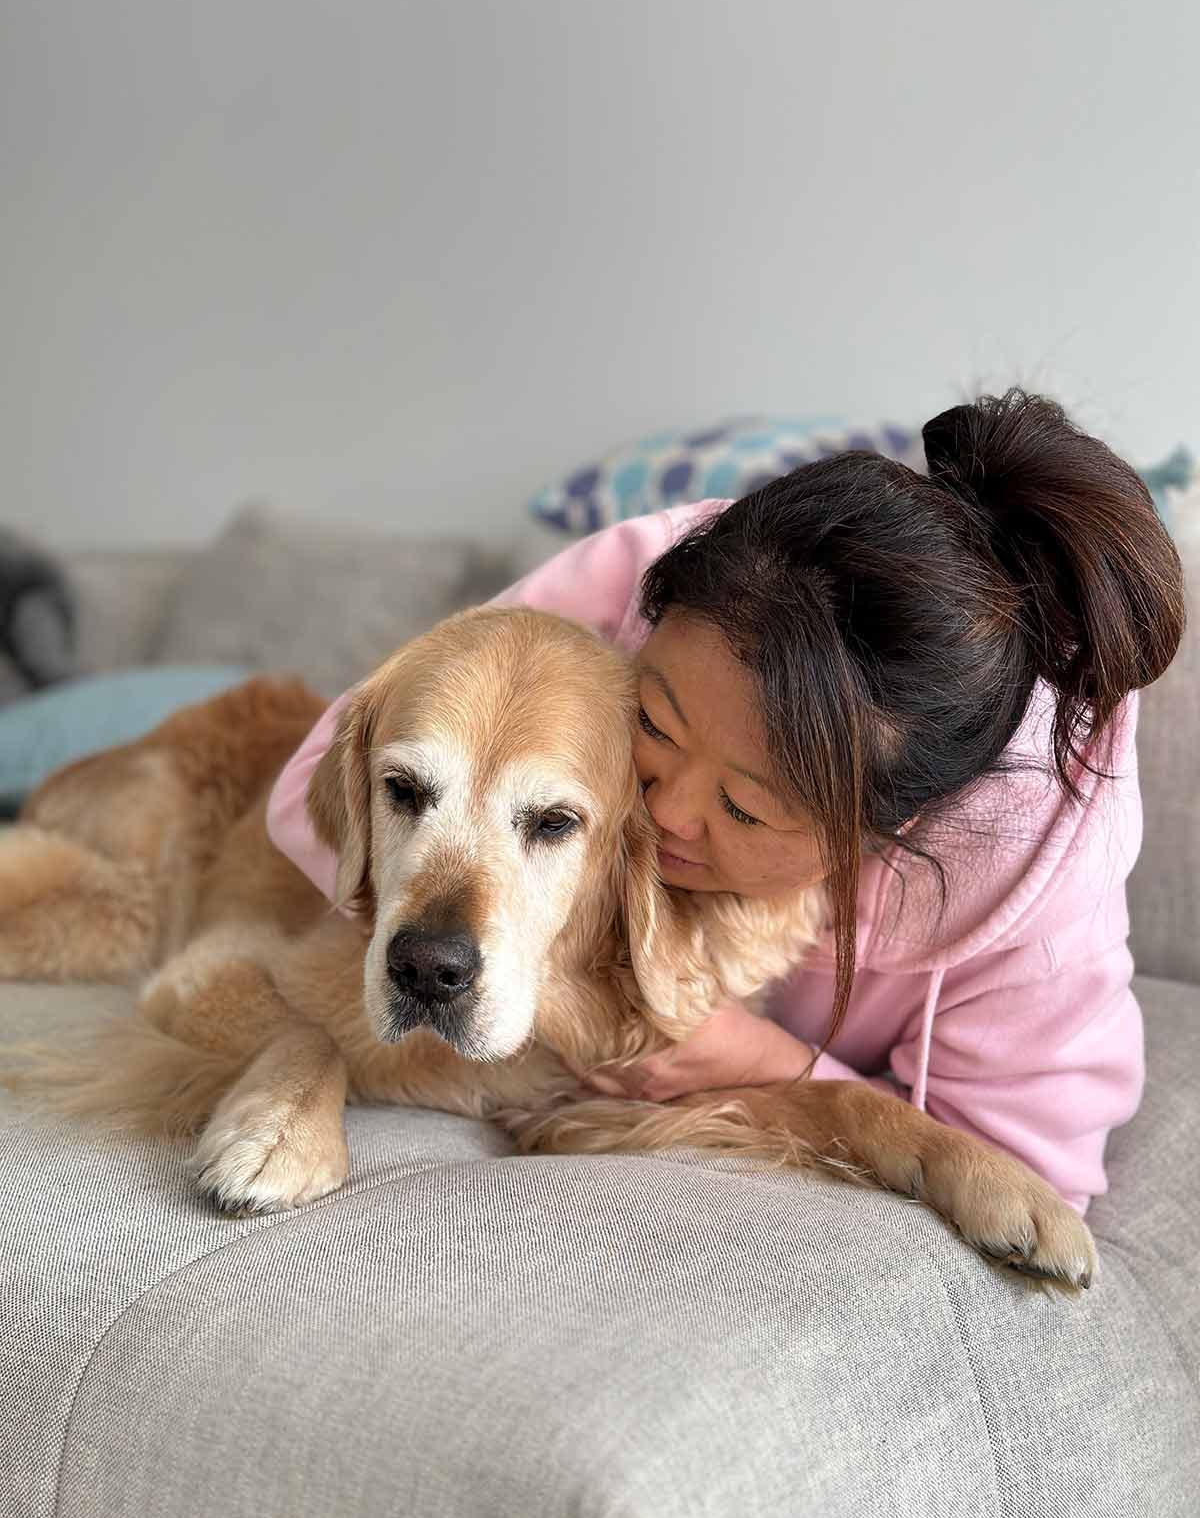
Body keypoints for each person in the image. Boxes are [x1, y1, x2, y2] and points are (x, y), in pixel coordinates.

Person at [266, 390, 1185, 1214]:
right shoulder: (628, 586)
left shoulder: (1039, 903)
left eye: (745, 808)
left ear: (891, 831)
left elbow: (1028, 1189)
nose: (659, 815)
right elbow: (328, 771)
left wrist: (760, 1063)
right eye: (655, 727)